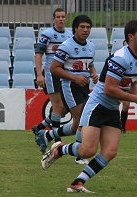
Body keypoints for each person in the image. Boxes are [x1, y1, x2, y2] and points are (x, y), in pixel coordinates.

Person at [41, 20, 137, 193]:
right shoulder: (121, 58)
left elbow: (132, 81)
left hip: (111, 108)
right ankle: (59, 150)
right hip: (97, 105)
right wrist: (136, 99)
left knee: (110, 151)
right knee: (87, 151)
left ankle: (77, 183)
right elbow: (109, 89)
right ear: (131, 37)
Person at [36, 15, 98, 166]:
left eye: (88, 27)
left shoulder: (91, 45)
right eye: (82, 27)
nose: (85, 30)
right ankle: (79, 155)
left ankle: (47, 134)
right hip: (70, 86)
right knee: (83, 120)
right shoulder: (66, 46)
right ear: (75, 28)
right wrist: (74, 78)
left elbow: (89, 64)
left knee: (78, 123)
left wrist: (93, 73)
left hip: (84, 86)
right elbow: (54, 68)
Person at [33, 8, 72, 145]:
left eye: (63, 16)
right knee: (58, 106)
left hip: (65, 74)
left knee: (65, 107)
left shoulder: (70, 35)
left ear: (65, 18)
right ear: (54, 19)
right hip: (51, 73)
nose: (61, 19)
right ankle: (57, 139)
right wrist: (39, 74)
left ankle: (40, 127)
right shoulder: (47, 34)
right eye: (58, 17)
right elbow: (38, 54)